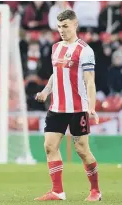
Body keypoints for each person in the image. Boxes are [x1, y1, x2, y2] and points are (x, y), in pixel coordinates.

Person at [34, 10, 101, 201]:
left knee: (82, 150)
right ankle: (57, 191)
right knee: (49, 146)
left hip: (78, 108)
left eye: (65, 26)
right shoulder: (56, 48)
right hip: (57, 108)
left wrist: (92, 106)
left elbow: (90, 81)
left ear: (75, 25)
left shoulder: (85, 50)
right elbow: (56, 74)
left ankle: (95, 190)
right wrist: (46, 91)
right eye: (59, 27)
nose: (61, 30)